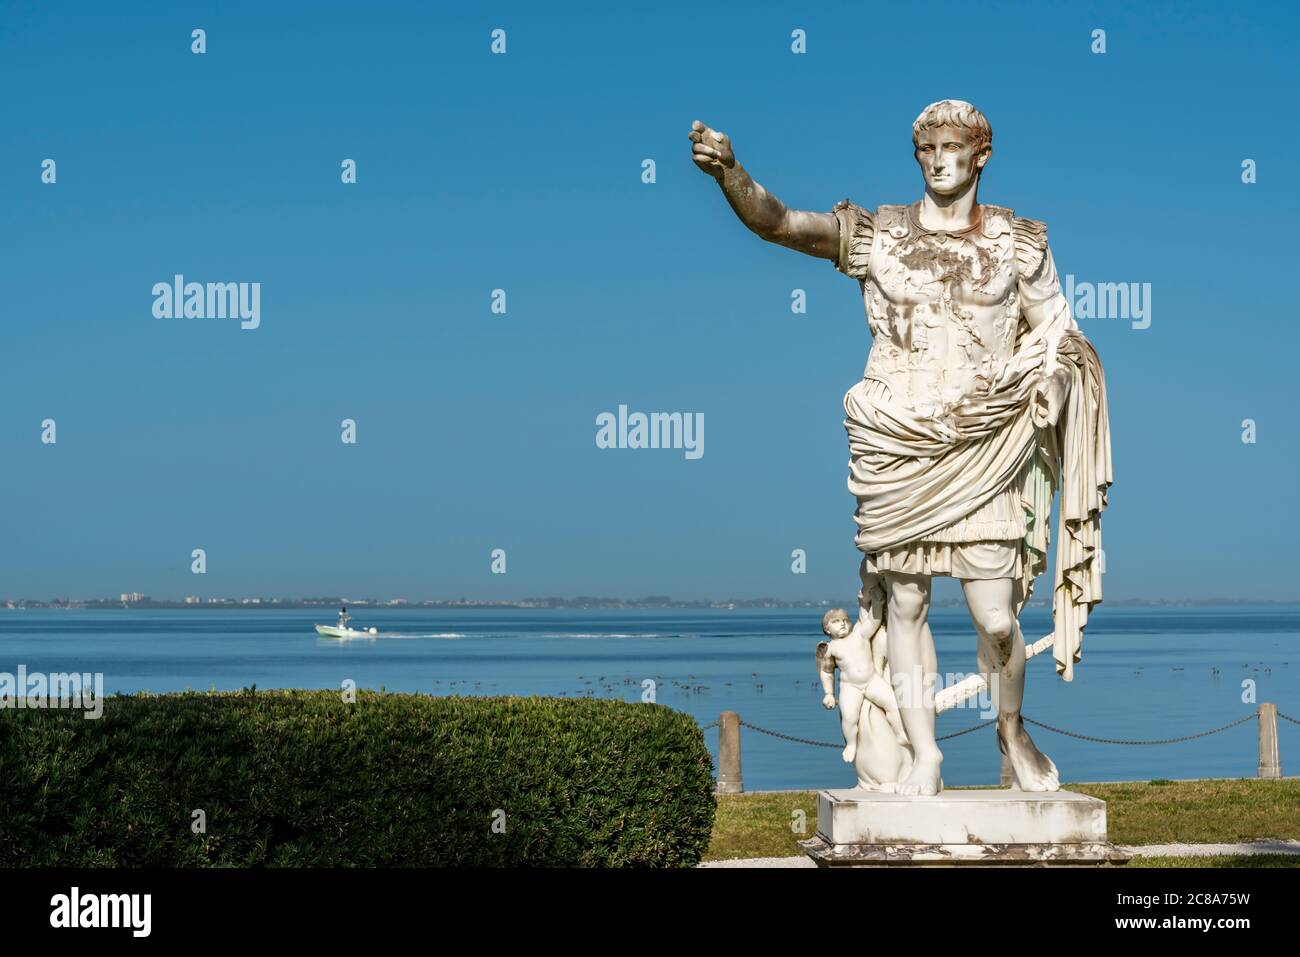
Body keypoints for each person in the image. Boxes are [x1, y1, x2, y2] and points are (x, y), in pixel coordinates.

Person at [690, 101, 1111, 795]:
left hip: (987, 440)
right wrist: (731, 173)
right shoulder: (880, 234)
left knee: (996, 617)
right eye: (927, 150)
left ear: (981, 155)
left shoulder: (1019, 241)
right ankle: (925, 755)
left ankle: (1010, 728)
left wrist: (1060, 386)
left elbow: (1060, 335)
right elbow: (781, 224)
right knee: (905, 607)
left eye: (953, 147)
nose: (939, 160)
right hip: (896, 439)